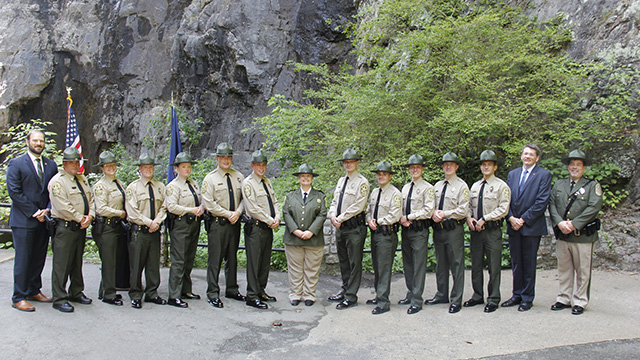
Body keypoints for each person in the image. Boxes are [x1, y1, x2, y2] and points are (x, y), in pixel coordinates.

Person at [7, 129, 58, 312]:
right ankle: (18, 296)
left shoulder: (51, 165)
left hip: (43, 220)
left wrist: (48, 209)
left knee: (38, 258)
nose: (38, 143)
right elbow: (14, 192)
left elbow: (55, 191)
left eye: (41, 141)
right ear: (27, 142)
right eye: (35, 140)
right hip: (23, 221)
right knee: (23, 259)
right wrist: (34, 211)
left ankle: (33, 290)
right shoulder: (16, 163)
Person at [549, 149, 602, 315]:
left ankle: (580, 300)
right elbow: (552, 205)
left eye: (578, 165)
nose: (574, 167)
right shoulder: (559, 184)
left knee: (583, 270)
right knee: (564, 269)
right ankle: (564, 297)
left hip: (582, 236)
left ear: (584, 167)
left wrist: (574, 224)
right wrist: (559, 222)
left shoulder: (592, 185)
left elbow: (593, 208)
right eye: (572, 164)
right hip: (564, 234)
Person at [503, 144, 551, 312]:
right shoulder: (513, 174)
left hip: (531, 226)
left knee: (529, 263)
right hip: (513, 225)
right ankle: (516, 294)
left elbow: (541, 202)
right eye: (525, 153)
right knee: (516, 262)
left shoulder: (544, 175)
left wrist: (522, 219)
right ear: (521, 156)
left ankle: (527, 298)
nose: (528, 156)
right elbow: (506, 198)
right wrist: (510, 217)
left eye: (531, 154)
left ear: (537, 158)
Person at [48, 147, 95, 313]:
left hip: (80, 227)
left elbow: (91, 199)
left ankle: (76, 291)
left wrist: (90, 216)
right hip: (65, 228)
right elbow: (62, 207)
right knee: (62, 264)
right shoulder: (58, 182)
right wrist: (81, 218)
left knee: (76, 261)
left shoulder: (82, 179)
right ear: (64, 164)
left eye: (77, 162)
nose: (75, 165)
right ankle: (59, 298)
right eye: (71, 162)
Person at [465, 150, 510, 313]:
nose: (486, 167)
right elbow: (468, 206)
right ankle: (477, 295)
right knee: (476, 264)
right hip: (476, 231)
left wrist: (485, 218)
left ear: (495, 167)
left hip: (492, 231)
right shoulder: (475, 186)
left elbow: (504, 209)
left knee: (493, 265)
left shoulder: (501, 186)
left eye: (489, 164)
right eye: (483, 165)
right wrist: (469, 218)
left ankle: (493, 298)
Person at [202, 142, 246, 309]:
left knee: (232, 258)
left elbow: (244, 199)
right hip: (218, 224)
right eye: (223, 157)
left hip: (234, 224)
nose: (226, 160)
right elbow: (209, 204)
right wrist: (229, 214)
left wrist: (238, 212)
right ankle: (213, 292)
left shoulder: (239, 177)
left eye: (229, 157)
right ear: (217, 159)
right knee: (215, 259)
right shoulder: (210, 179)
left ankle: (232, 289)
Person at [327, 148, 370, 310]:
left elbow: (358, 205)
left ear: (357, 163)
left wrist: (341, 218)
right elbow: (334, 202)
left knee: (354, 262)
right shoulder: (341, 181)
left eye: (351, 162)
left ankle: (351, 296)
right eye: (346, 162)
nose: (348, 165)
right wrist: (332, 215)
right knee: (343, 261)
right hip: (340, 227)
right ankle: (344, 290)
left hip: (354, 228)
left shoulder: (362, 182)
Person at [427, 152, 469, 314]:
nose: (448, 166)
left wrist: (444, 214)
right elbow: (430, 205)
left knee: (456, 264)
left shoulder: (461, 186)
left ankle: (456, 299)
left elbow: (463, 209)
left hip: (453, 229)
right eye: (445, 164)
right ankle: (441, 294)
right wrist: (433, 214)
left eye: (451, 164)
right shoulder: (437, 186)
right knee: (441, 263)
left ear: (456, 166)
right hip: (439, 230)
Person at [125, 154, 168, 309]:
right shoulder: (133, 188)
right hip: (139, 232)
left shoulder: (160, 186)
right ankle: (136, 294)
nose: (149, 170)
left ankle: (152, 293)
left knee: (153, 264)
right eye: (145, 167)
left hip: (154, 230)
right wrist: (149, 222)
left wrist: (157, 221)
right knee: (136, 264)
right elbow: (132, 212)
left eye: (151, 167)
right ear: (140, 169)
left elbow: (164, 206)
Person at [282, 164, 327, 307]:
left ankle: (309, 294)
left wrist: (311, 231)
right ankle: (295, 294)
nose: (305, 179)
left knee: (311, 269)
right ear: (299, 179)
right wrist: (295, 230)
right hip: (293, 239)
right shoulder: (290, 196)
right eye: (302, 176)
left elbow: (322, 214)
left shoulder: (320, 196)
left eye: (308, 176)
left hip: (314, 239)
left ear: (312, 178)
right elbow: (285, 213)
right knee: (295, 269)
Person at [242, 150, 281, 309]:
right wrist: (270, 220)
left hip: (267, 227)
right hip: (256, 227)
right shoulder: (248, 183)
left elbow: (274, 201)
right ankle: (251, 295)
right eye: (258, 165)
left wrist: (277, 216)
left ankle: (261, 290)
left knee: (265, 261)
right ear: (252, 165)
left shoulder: (267, 182)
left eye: (264, 165)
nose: (261, 168)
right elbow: (252, 208)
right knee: (254, 262)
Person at [398, 154, 435, 315]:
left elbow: (428, 210)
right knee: (408, 263)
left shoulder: (428, 188)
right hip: (406, 229)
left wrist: (409, 217)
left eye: (417, 167)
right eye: (412, 167)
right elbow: (400, 206)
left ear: (422, 169)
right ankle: (410, 292)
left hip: (419, 230)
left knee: (419, 264)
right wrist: (401, 218)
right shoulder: (405, 188)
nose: (414, 170)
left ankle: (417, 300)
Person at [166, 152, 203, 308]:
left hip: (194, 224)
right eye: (183, 167)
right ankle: (174, 295)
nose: (187, 169)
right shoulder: (173, 186)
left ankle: (186, 290)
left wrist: (201, 208)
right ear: (176, 169)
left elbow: (201, 199)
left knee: (189, 258)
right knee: (179, 260)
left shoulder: (193, 183)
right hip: (181, 225)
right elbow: (171, 207)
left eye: (188, 166)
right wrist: (191, 210)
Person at [366, 161, 402, 315]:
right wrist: (369, 220)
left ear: (390, 176)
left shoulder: (395, 194)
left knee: (384, 268)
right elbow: (368, 210)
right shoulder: (374, 192)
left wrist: (378, 222)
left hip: (387, 234)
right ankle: (378, 295)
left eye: (384, 174)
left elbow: (395, 214)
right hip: (375, 233)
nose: (381, 177)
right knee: (377, 266)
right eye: (379, 174)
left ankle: (383, 302)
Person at [92, 150, 127, 306]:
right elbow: (101, 209)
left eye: (113, 165)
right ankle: (109, 294)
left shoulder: (118, 183)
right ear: (102, 168)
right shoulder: (100, 186)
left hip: (117, 227)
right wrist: (120, 213)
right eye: (108, 166)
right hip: (106, 227)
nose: (111, 168)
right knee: (108, 260)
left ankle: (105, 290)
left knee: (113, 260)